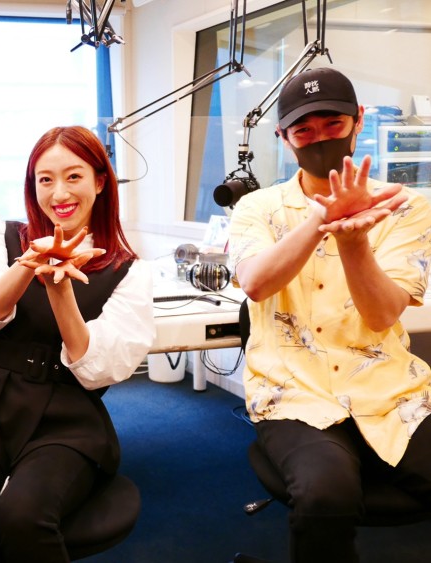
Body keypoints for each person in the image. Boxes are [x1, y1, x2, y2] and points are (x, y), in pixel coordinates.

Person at [228, 66, 431, 562]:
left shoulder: (405, 206)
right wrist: (323, 218)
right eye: (304, 131)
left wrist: (354, 241)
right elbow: (255, 283)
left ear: (358, 121)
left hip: (391, 392)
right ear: (283, 137)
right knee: (325, 496)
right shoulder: (256, 207)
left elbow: (382, 315)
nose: (319, 138)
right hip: (293, 393)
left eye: (333, 125)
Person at [0, 125, 155, 562]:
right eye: (45, 179)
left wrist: (60, 289)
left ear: (99, 182)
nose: (58, 193)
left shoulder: (128, 270)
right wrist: (30, 262)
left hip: (66, 418)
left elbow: (99, 368)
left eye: (74, 176)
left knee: (24, 516)